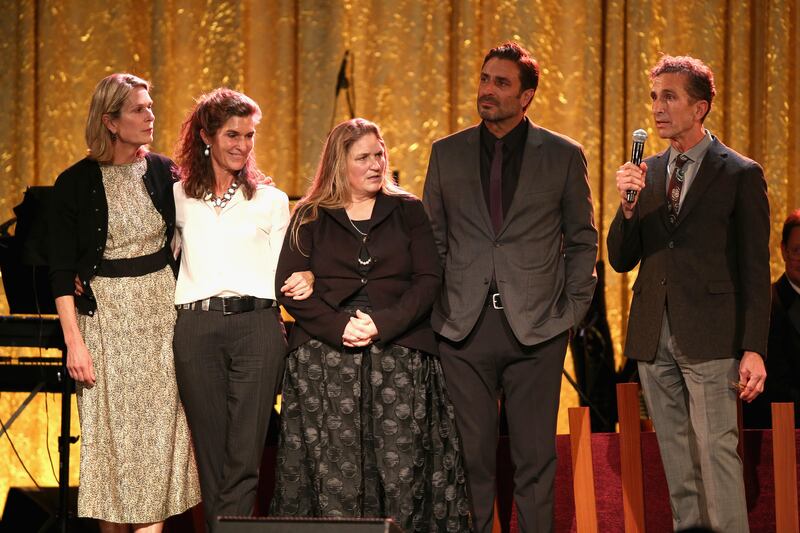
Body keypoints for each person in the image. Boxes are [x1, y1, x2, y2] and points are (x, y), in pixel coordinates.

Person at [423, 42, 598, 532]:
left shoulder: (563, 156)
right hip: (464, 329)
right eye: (484, 79)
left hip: (537, 330)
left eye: (501, 83)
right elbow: (433, 240)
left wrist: (572, 309)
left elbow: (583, 239)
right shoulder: (446, 153)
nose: (487, 90)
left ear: (526, 97)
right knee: (471, 460)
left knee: (535, 460)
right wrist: (440, 308)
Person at [270, 118, 471, 532]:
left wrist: (380, 324)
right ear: (339, 164)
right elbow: (286, 286)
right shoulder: (310, 215)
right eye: (364, 157)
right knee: (334, 474)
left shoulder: (409, 210)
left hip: (398, 350)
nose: (376, 164)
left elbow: (429, 280)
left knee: (402, 471)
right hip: (326, 358)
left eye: (379, 154)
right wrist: (338, 327)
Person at [607, 55, 769, 533]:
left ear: (699, 108)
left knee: (717, 452)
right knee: (676, 458)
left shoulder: (739, 173)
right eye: (654, 96)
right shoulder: (647, 170)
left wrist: (755, 347)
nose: (657, 108)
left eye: (669, 97)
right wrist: (628, 207)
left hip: (712, 335)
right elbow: (620, 257)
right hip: (654, 333)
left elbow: (756, 271)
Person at [48, 73, 200, 532]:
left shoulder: (164, 171)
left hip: (159, 318)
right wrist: (74, 344)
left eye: (151, 106)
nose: (150, 116)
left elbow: (191, 233)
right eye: (139, 109)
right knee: (112, 452)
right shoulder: (75, 182)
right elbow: (60, 271)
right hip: (106, 324)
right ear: (110, 121)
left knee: (158, 447)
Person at [172, 88, 308, 531]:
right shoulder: (176, 197)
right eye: (233, 134)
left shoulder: (270, 200)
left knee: (245, 454)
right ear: (207, 136)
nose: (242, 145)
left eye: (250, 136)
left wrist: (309, 278)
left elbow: (288, 267)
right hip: (196, 327)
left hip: (257, 328)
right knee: (210, 454)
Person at [744, 209, 800, 429]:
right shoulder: (766, 304)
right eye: (798, 250)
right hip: (781, 429)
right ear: (784, 251)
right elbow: (775, 384)